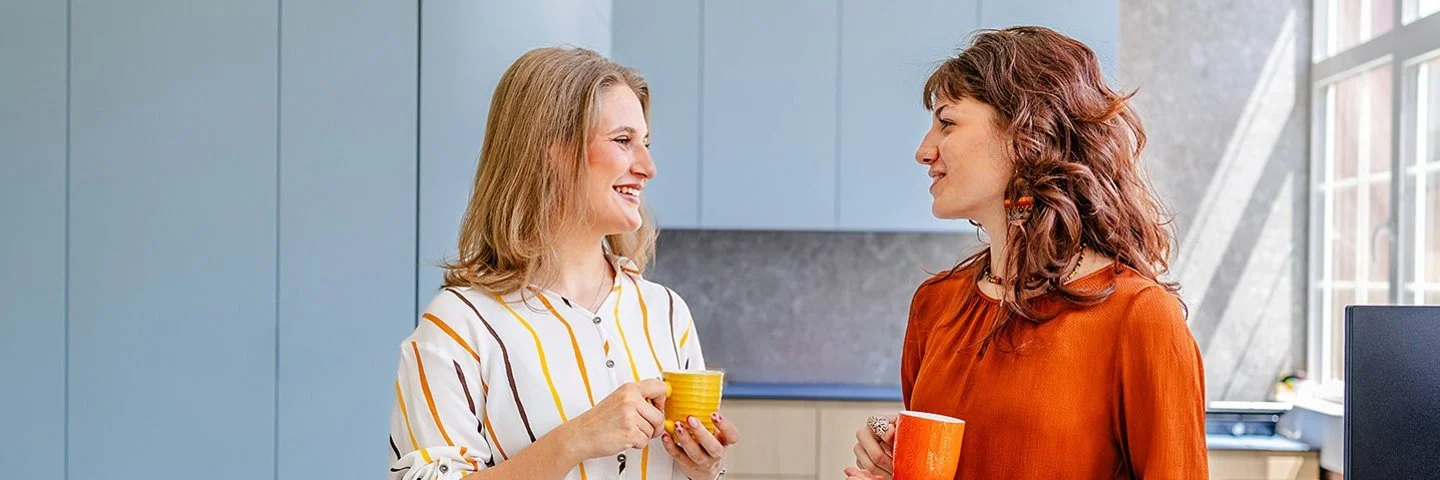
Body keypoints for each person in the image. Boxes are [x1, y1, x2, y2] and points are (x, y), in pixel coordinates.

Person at [848, 26, 1208, 479]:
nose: (924, 151)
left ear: (1025, 135)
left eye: (947, 122)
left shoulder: (1139, 317)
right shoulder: (935, 304)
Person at [389, 46, 738, 480]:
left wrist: (705, 468)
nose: (648, 167)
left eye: (645, 144)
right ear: (551, 150)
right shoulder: (458, 327)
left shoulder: (667, 313)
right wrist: (574, 440)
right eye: (623, 141)